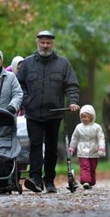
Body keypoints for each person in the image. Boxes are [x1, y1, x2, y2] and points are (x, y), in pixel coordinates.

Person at [17, 30, 80, 193]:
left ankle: (49, 180)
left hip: (54, 113)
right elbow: (19, 86)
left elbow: (72, 85)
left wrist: (72, 102)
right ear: (37, 42)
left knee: (51, 148)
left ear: (52, 44)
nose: (45, 46)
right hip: (33, 113)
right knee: (35, 146)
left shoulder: (63, 64)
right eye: (42, 42)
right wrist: (26, 101)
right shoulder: (28, 63)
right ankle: (35, 179)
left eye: (48, 43)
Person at [68, 105, 106, 189]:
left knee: (92, 167)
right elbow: (75, 138)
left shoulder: (97, 127)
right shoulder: (78, 127)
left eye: (85, 117)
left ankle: (91, 181)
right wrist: (72, 147)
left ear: (91, 117)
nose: (83, 119)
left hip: (94, 150)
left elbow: (101, 138)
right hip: (82, 150)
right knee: (85, 166)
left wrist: (101, 147)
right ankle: (85, 181)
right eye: (82, 117)